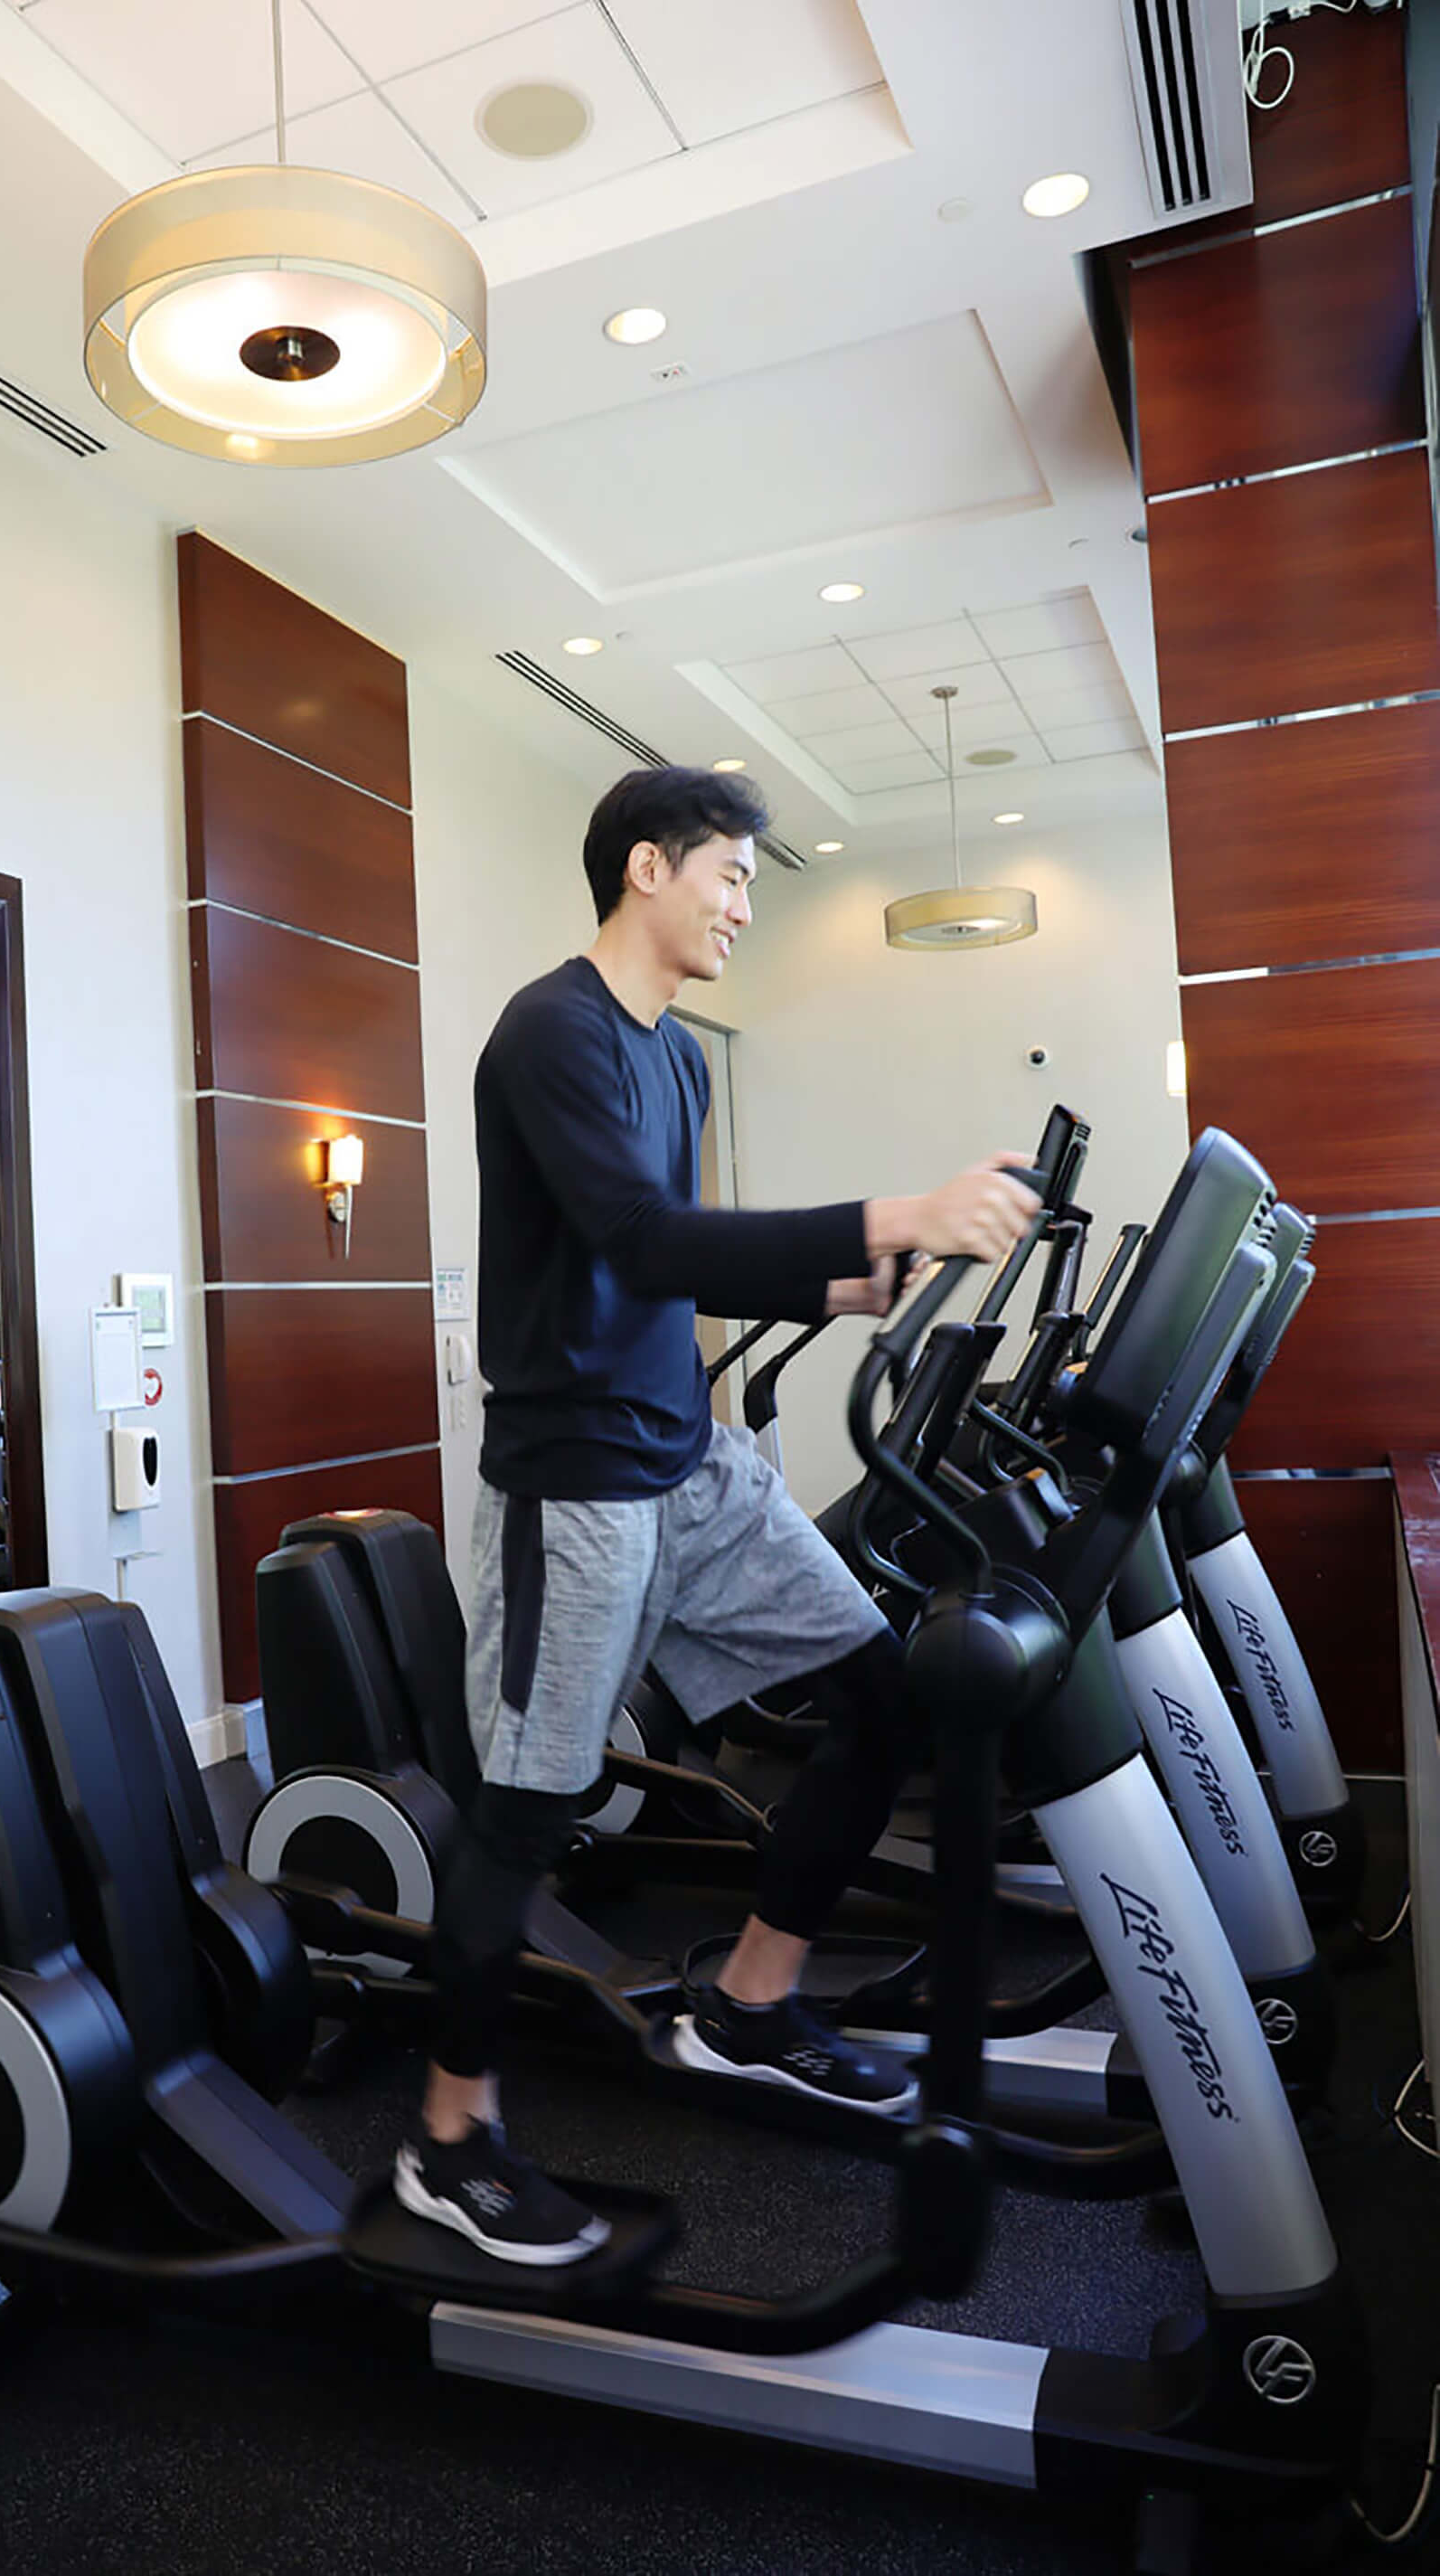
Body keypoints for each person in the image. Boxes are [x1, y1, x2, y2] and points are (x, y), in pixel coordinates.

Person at [392, 766, 1040, 2265]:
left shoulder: (678, 1062)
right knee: (531, 1809)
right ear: (645, 869)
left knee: (885, 1699)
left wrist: (864, 1279)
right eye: (733, 876)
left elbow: (675, 1269)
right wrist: (890, 1210)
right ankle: (448, 2133)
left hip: (695, 1469)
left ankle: (751, 2000)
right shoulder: (549, 1032)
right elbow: (634, 1232)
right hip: (575, 1490)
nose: (748, 902)